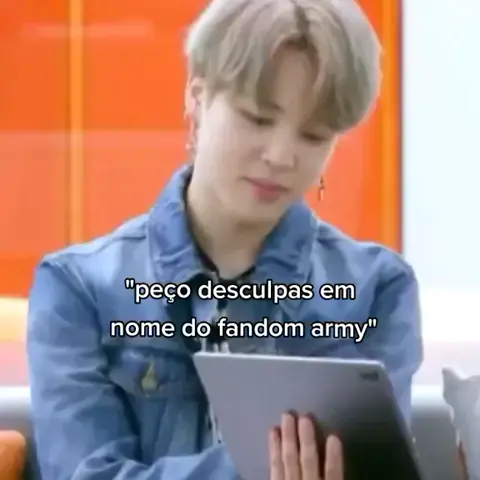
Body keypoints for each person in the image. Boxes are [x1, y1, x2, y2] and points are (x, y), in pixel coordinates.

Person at [26, 0, 423, 478]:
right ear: (197, 98)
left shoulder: (378, 290)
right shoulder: (77, 289)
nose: (281, 155)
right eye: (257, 118)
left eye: (314, 136)